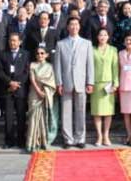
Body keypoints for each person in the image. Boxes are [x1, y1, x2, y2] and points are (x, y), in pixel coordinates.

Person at [53, 17, 95, 149]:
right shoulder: (60, 44)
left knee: (81, 110)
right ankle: (68, 139)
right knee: (66, 112)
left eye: (76, 24)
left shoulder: (86, 43)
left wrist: (90, 82)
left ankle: (80, 138)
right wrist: (58, 83)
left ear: (79, 27)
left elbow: (90, 64)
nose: (74, 27)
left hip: (81, 81)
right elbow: (57, 65)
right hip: (66, 81)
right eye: (71, 24)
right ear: (67, 27)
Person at [0, 30, 30, 149]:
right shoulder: (3, 54)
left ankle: (21, 140)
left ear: (20, 42)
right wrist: (10, 82)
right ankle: (9, 140)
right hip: (7, 89)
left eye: (15, 41)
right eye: (11, 40)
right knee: (8, 117)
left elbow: (27, 72)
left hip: (20, 90)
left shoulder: (26, 54)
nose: (12, 43)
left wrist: (17, 83)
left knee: (21, 116)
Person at [25, 46, 57, 152]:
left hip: (46, 94)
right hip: (34, 93)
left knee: (44, 118)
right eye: (38, 53)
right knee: (33, 118)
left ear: (47, 55)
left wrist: (45, 92)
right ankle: (32, 144)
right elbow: (32, 79)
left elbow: (52, 81)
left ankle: (44, 142)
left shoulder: (50, 67)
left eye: (42, 53)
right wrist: (39, 91)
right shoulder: (32, 65)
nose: (40, 55)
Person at [91, 27, 119, 146]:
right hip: (96, 84)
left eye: (105, 35)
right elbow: (89, 68)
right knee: (97, 112)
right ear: (97, 37)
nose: (102, 37)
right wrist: (89, 83)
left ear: (108, 37)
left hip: (109, 84)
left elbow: (115, 67)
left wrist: (115, 83)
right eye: (100, 35)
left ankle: (106, 136)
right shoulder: (92, 50)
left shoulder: (113, 50)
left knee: (108, 112)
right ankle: (99, 136)